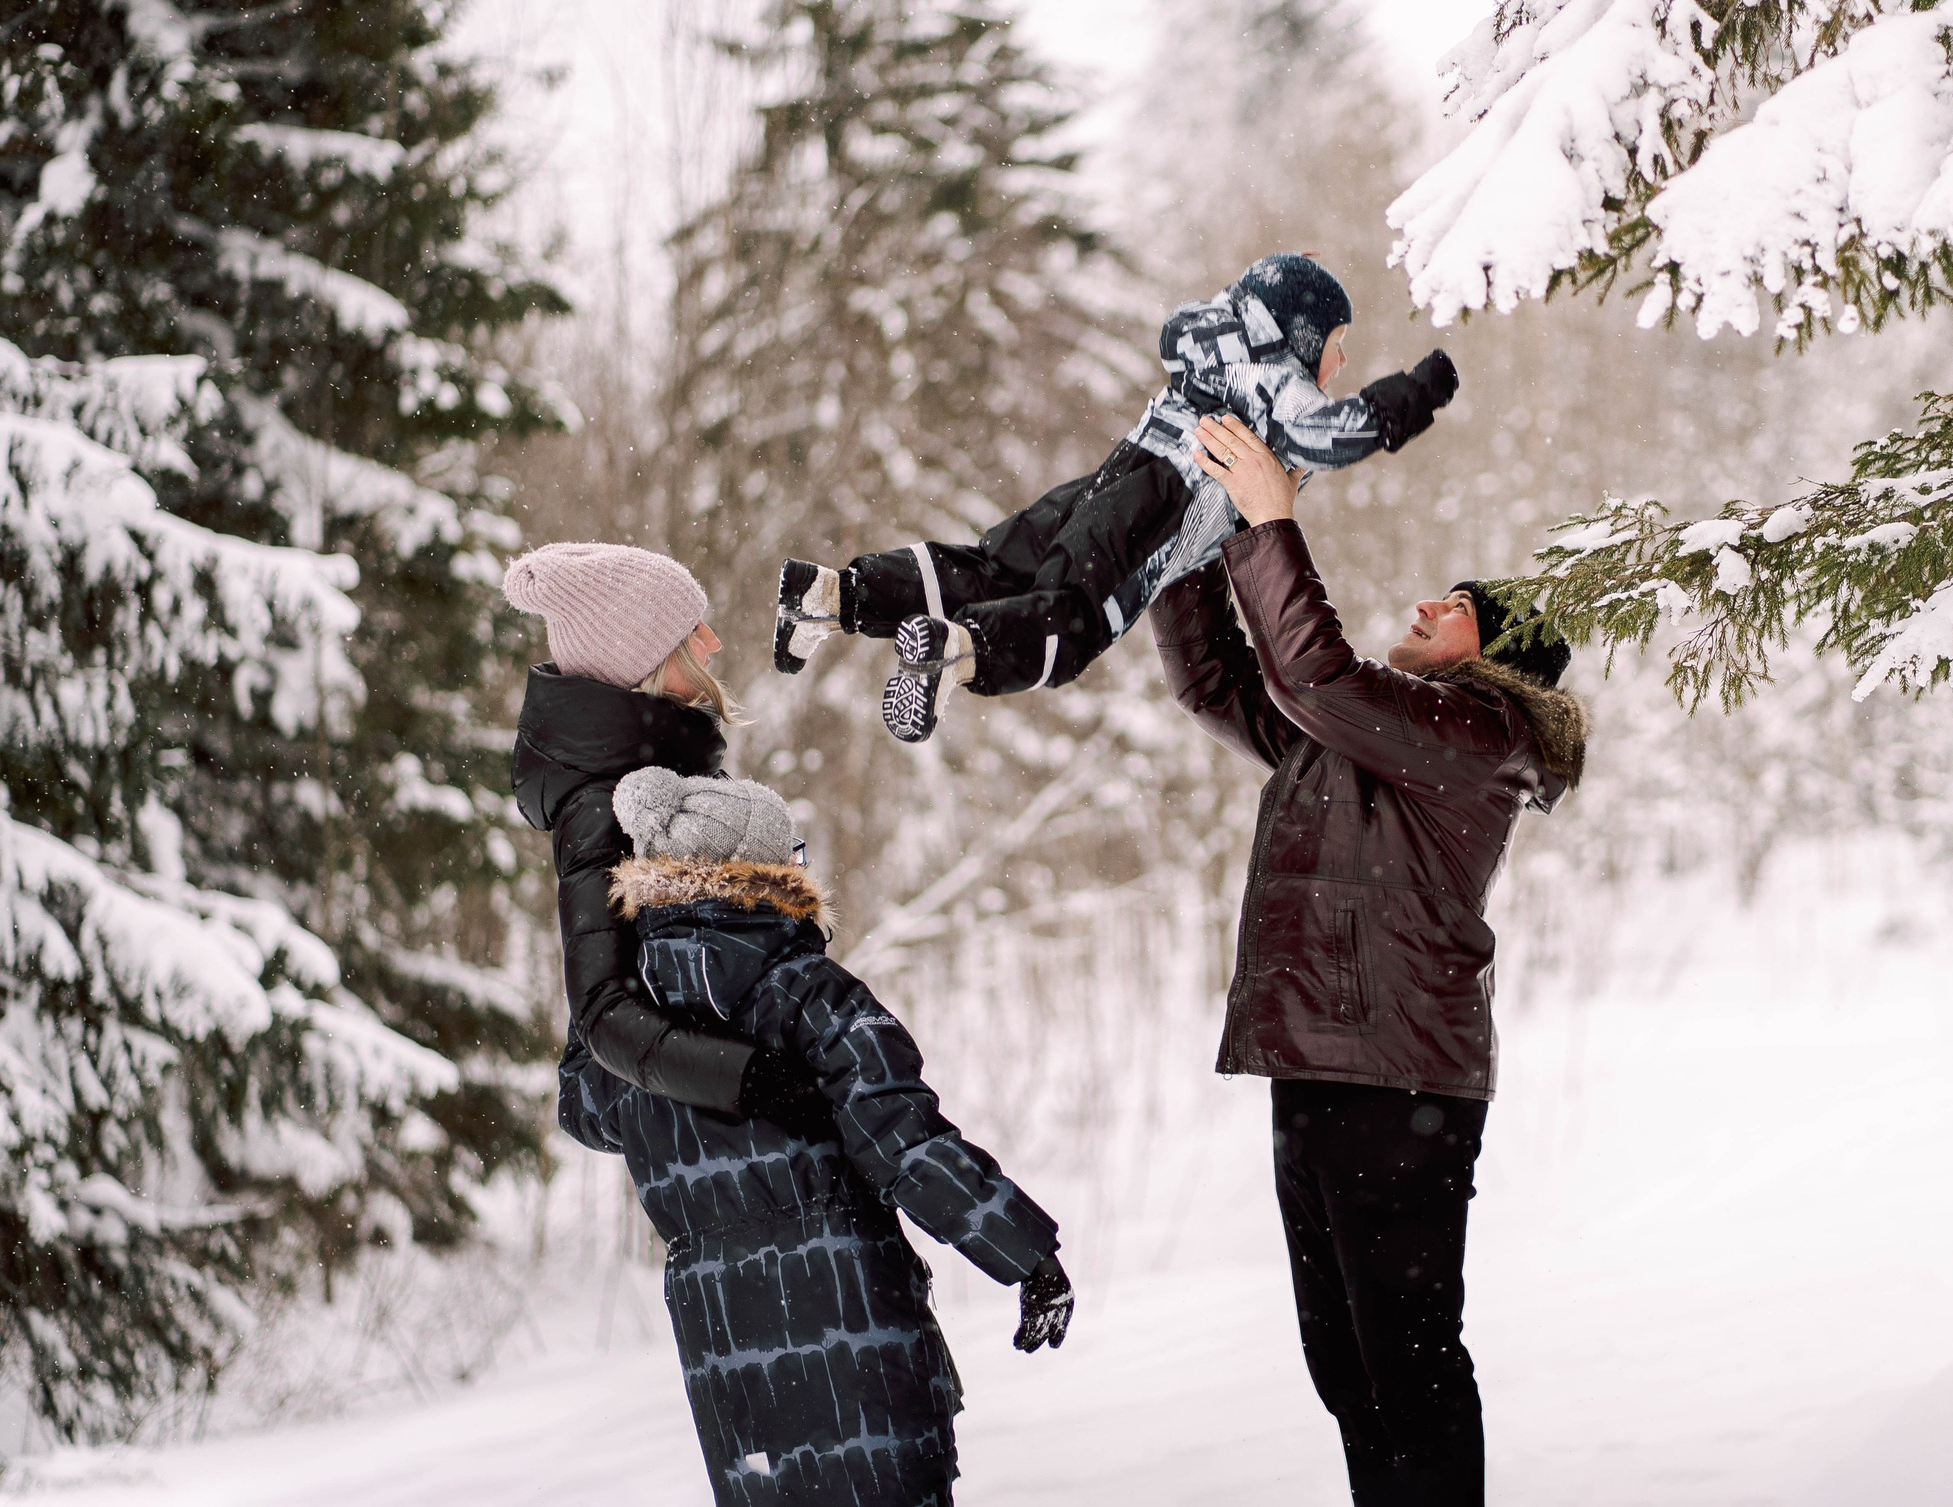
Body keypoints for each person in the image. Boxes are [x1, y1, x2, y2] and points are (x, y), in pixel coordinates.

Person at [1149, 415, 1589, 1507]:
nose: (1431, 604)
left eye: (1461, 608)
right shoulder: (1354, 733)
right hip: (1318, 1059)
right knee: (1344, 1361)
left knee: (1408, 1355)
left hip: (1400, 1077)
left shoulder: (1479, 737)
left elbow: (1318, 673)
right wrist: (1184, 544)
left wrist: (1273, 521)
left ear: (1492, 656)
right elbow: (1223, 686)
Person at [561, 766, 1072, 1507]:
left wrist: (605, 974)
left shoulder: (626, 1030)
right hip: (847, 1319)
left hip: (723, 1341)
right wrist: (1028, 1257)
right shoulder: (809, 994)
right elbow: (908, 1142)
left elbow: (581, 1110)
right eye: (791, 853)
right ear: (760, 869)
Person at [769, 253, 1458, 743]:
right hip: (1159, 503)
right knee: (1075, 620)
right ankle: (958, 651)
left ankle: (836, 594)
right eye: (1338, 345)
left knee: (994, 566)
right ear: (1303, 337)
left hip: (1114, 475)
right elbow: (1334, 435)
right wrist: (1419, 392)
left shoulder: (1213, 346)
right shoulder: (1277, 386)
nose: (1339, 365)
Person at [505, 541, 824, 1128]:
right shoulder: (601, 806)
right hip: (713, 1142)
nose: (713, 641)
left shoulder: (664, 776)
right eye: (690, 631)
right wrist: (749, 1079)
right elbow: (604, 1013)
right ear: (643, 662)